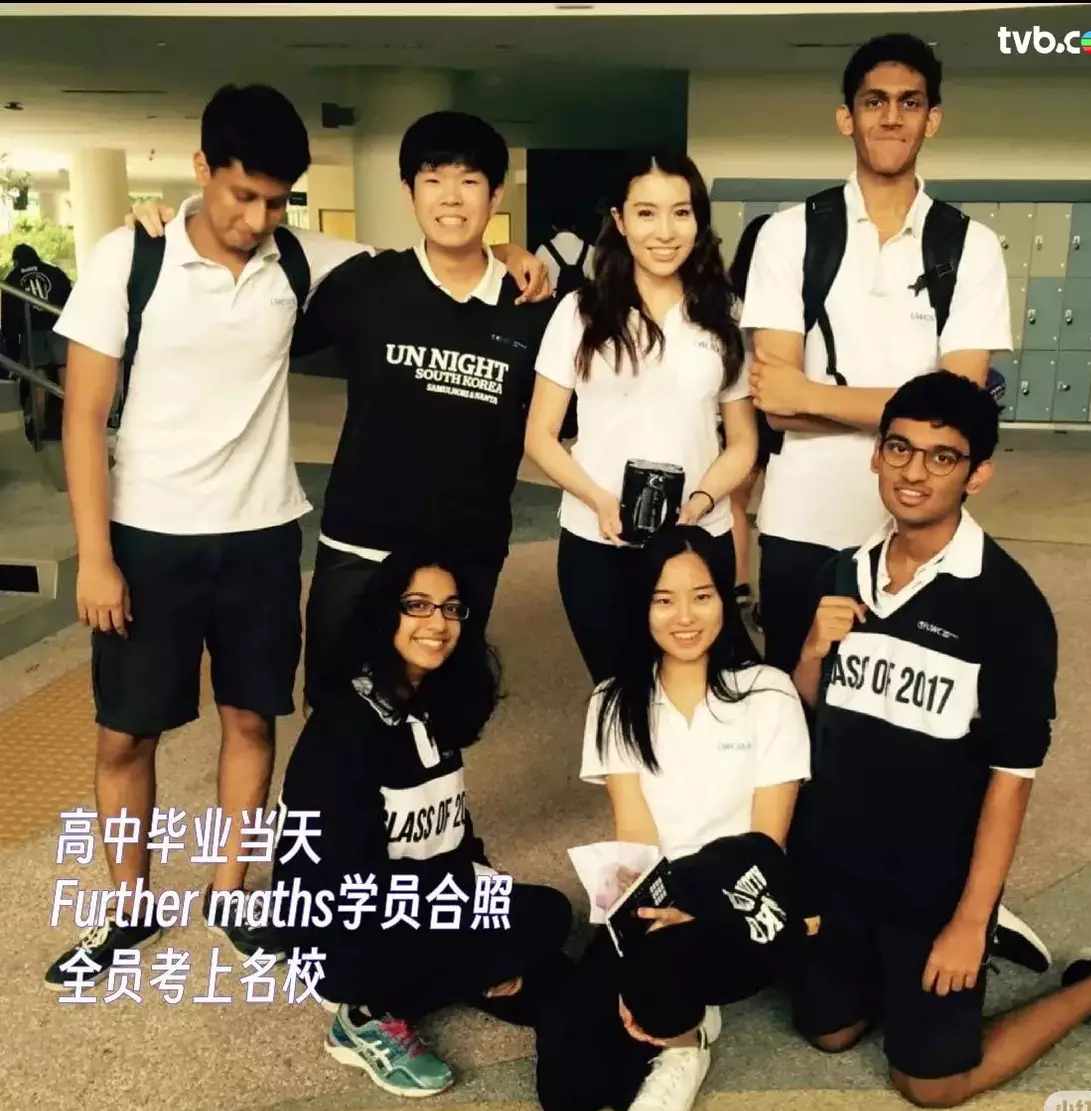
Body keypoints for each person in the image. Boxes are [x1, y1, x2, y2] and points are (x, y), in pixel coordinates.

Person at [42, 84, 541, 990]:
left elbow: (436, 255)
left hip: (264, 534)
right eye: (242, 196)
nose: (257, 220)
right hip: (149, 535)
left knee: (252, 721)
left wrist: (511, 252)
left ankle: (232, 895)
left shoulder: (305, 260)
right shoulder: (130, 258)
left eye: (276, 202)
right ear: (201, 170)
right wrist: (97, 556)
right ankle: (127, 909)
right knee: (126, 736)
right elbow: (81, 417)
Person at [786, 370, 1091, 1108]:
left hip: (934, 883)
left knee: (931, 1084)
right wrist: (811, 651)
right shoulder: (842, 572)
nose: (913, 472)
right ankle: (910, 972)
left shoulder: (1008, 606)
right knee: (828, 1032)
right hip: (839, 867)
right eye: (900, 448)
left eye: (942, 457)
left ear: (977, 474)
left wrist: (965, 921)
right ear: (877, 454)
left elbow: (1012, 779)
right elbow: (808, 703)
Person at [740, 34, 1011, 677]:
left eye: (909, 102)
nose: (892, 116)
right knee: (792, 700)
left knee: (900, 707)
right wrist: (913, 417)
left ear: (932, 119)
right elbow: (775, 407)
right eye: (875, 101)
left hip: (919, 530)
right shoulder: (787, 236)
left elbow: (959, 415)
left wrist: (812, 396)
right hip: (801, 524)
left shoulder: (972, 247)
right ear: (847, 117)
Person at [536, 525, 811, 1111]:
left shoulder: (767, 692)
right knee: (567, 1090)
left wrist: (694, 906)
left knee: (660, 975)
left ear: (724, 599)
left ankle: (685, 1042)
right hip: (657, 894)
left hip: (740, 895)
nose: (684, 617)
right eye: (664, 600)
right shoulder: (614, 702)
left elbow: (766, 844)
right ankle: (672, 1002)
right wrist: (634, 930)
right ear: (642, 606)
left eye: (702, 596)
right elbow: (634, 838)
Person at [273, 549, 574, 1097]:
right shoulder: (345, 727)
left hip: (423, 903)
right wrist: (463, 912)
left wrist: (480, 896)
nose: (438, 623)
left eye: (451, 608)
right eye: (417, 605)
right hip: (348, 927)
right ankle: (364, 1018)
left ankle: (463, 971)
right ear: (385, 612)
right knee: (521, 944)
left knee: (549, 914)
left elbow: (452, 830)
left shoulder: (428, 705)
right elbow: (339, 882)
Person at [284, 111, 558, 711]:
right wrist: (178, 230)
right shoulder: (365, 284)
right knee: (336, 706)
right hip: (362, 542)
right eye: (433, 180)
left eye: (469, 181)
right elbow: (258, 270)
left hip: (467, 549)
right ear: (408, 192)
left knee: (443, 709)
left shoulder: (531, 308)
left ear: (495, 195)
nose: (451, 198)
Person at [525, 150, 758, 686]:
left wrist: (701, 501)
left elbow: (743, 442)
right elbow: (540, 435)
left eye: (681, 212)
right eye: (646, 213)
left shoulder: (724, 313)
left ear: (698, 221)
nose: (665, 232)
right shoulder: (579, 312)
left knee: (700, 690)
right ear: (620, 220)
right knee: (620, 693)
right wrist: (598, 499)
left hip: (697, 537)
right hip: (597, 540)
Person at [724, 213, 776, 625]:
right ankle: (769, 602)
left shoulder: (727, 300)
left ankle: (739, 583)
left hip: (740, 406)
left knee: (735, 502)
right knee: (780, 505)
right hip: (782, 405)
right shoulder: (791, 297)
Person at [1, 243, 72, 438]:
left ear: (16, 260)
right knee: (66, 375)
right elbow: (69, 298)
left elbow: (8, 316)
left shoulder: (13, 278)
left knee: (38, 380)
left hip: (32, 333)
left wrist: (12, 345)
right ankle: (71, 425)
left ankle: (38, 428)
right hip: (58, 328)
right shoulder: (53, 271)